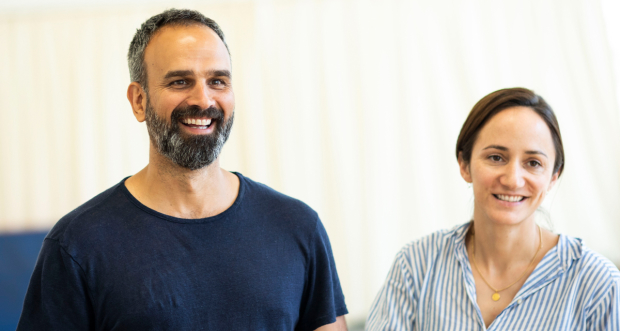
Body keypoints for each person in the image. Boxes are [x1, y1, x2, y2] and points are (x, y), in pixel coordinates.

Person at [17, 9, 347, 331]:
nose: (203, 100)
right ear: (138, 101)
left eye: (218, 81)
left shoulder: (297, 227)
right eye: (179, 81)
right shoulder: (77, 244)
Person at [366, 87, 620, 330]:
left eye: (533, 163)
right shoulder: (416, 265)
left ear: (553, 177)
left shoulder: (598, 282)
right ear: (464, 164)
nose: (512, 180)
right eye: (496, 157)